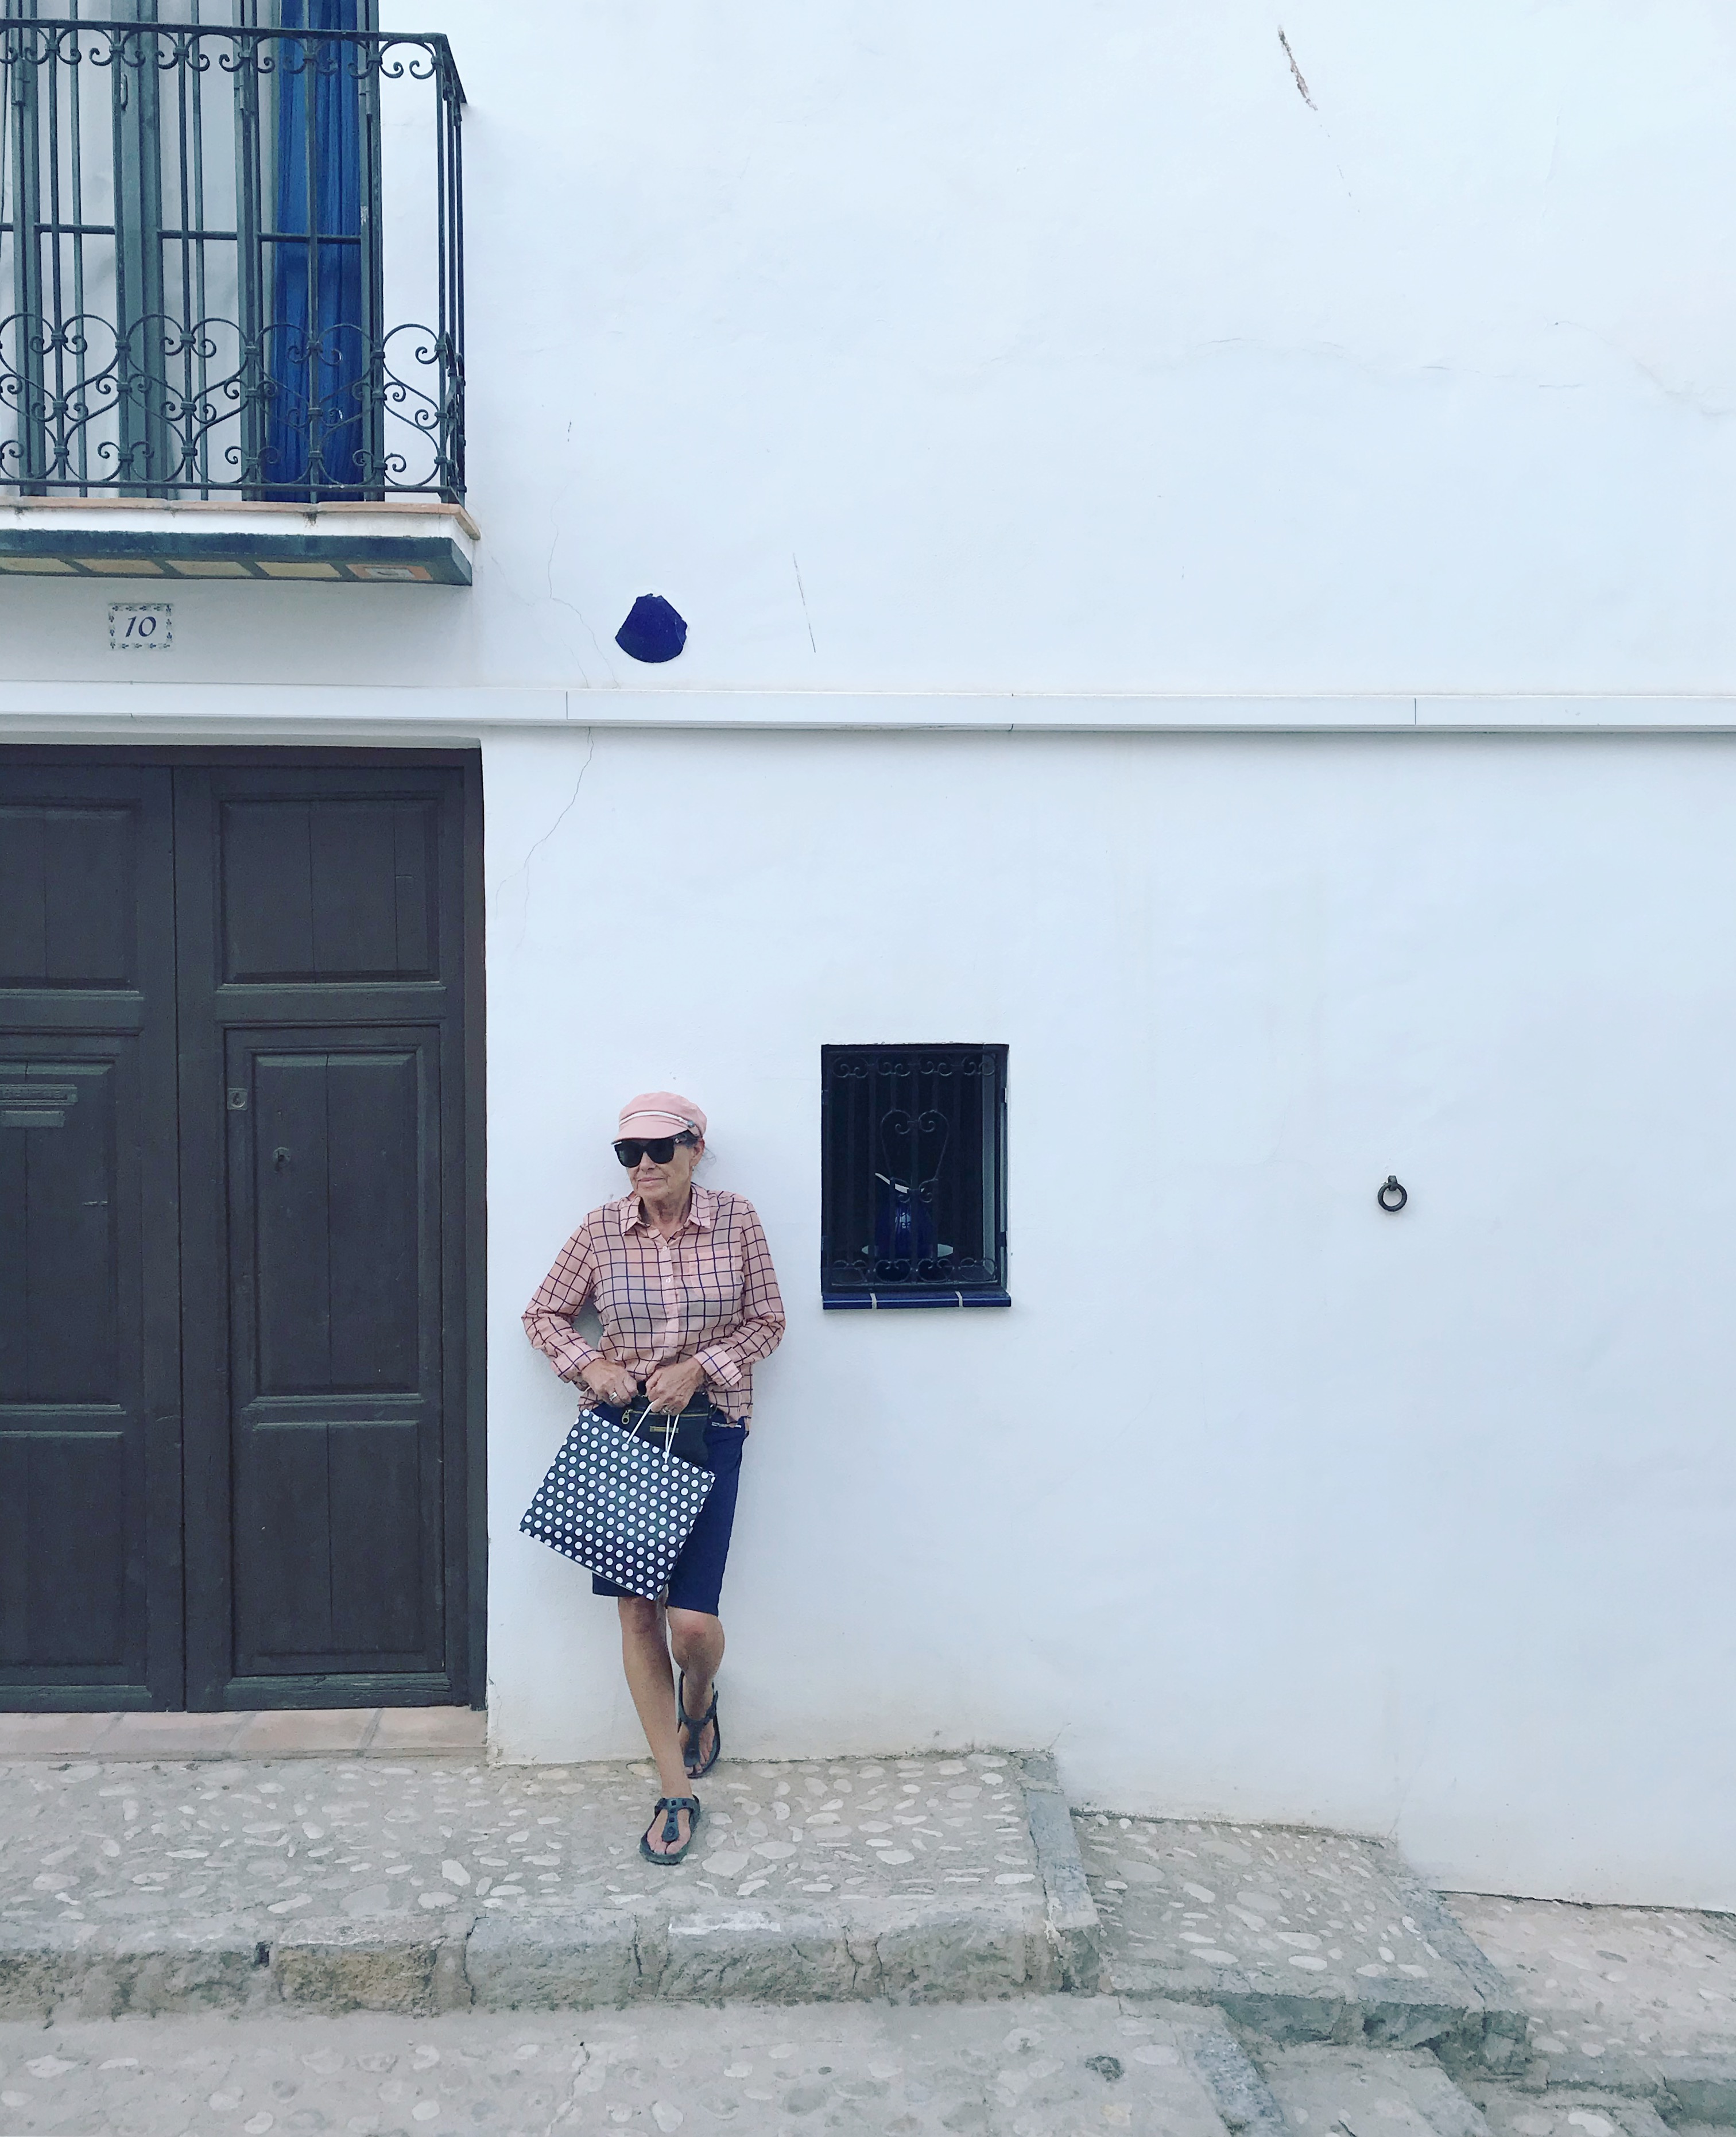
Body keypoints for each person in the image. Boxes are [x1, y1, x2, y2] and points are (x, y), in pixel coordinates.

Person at [522, 1093, 785, 1864]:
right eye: (629, 1152)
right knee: (639, 1614)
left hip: (711, 1430)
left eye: (660, 1149)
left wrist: (699, 1367)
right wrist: (591, 1366)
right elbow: (543, 1315)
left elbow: (768, 1321)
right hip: (625, 1437)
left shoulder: (737, 1220)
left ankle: (697, 1702)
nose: (643, 1164)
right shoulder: (601, 1229)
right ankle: (675, 1789)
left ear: (695, 1149)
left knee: (692, 1625)